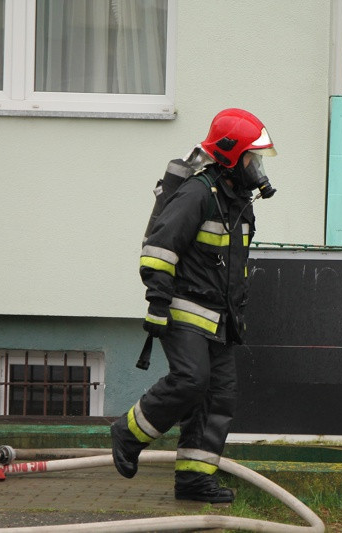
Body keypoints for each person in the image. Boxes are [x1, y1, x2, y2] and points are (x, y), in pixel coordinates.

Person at [110, 108, 277, 503]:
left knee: (218, 398)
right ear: (231, 156)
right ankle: (128, 433)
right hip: (185, 310)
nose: (257, 168)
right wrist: (157, 301)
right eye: (252, 158)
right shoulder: (198, 193)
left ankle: (194, 481)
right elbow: (158, 250)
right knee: (191, 380)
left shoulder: (238, 202)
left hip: (221, 320)